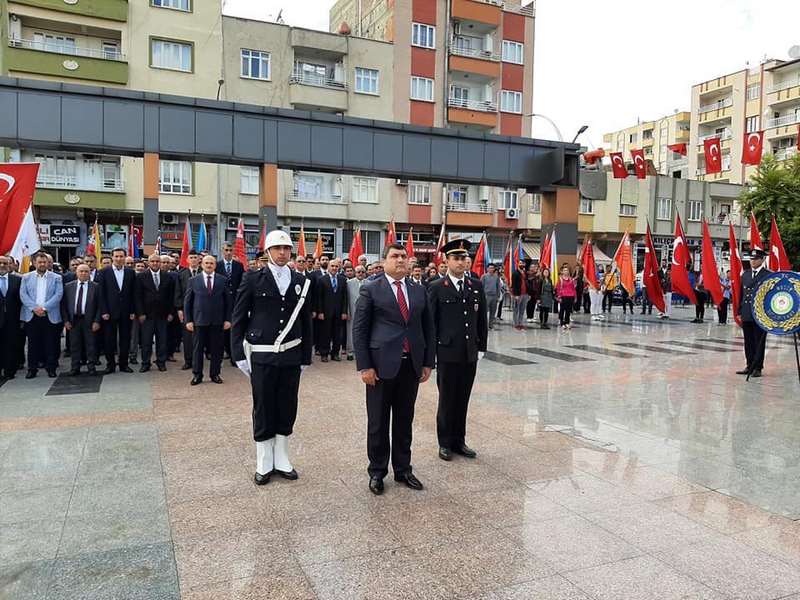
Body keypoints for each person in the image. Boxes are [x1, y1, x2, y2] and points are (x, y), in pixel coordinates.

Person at [232, 230, 313, 485]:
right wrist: (238, 354)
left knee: (287, 405)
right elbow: (239, 316)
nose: (282, 253)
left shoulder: (301, 280)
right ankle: (264, 461)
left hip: (291, 352)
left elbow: (306, 321)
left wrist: (305, 356)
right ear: (267, 252)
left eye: (286, 249)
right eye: (277, 249)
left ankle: (282, 458)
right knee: (263, 405)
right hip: (262, 354)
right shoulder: (253, 278)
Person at [353, 243, 434, 495]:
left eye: (403, 256)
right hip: (380, 367)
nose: (400, 260)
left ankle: (403, 469)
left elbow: (428, 328)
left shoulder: (419, 290)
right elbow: (360, 330)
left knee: (404, 420)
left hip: (410, 366)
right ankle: (377, 471)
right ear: (385, 260)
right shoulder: (371, 289)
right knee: (377, 421)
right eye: (395, 256)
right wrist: (364, 365)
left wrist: (428, 362)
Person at [427, 239, 487, 462]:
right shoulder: (435, 287)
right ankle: (444, 443)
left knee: (463, 399)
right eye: (457, 258)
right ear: (446, 260)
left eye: (464, 258)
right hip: (447, 353)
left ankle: (459, 441)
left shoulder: (475, 285)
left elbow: (481, 319)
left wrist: (481, 347)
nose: (462, 262)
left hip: (469, 354)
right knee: (447, 400)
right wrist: (430, 355)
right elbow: (431, 323)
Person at [184, 254, 231, 385]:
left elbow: (228, 302)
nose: (209, 265)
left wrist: (228, 319)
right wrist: (188, 320)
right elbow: (188, 302)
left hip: (218, 321)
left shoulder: (222, 280)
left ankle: (215, 374)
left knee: (217, 349)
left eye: (211, 263)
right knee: (197, 349)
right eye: (206, 263)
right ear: (201, 264)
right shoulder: (193, 280)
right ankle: (197, 375)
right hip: (199, 321)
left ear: (215, 265)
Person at [20, 252, 63, 378]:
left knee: (51, 343)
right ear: (34, 263)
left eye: (45, 262)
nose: (43, 264)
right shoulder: (26, 277)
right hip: (32, 315)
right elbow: (23, 295)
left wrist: (44, 308)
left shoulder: (56, 278)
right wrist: (34, 308)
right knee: (33, 344)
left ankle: (51, 368)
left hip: (49, 315)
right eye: (40, 262)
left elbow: (58, 295)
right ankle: (32, 369)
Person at [97, 248, 136, 374]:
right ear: (112, 257)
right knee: (109, 340)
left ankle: (124, 364)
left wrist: (132, 311)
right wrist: (104, 311)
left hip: (126, 312)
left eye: (121, 256)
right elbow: (101, 294)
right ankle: (110, 365)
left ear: (125, 257)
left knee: (125, 339)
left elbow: (133, 294)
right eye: (116, 256)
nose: (119, 259)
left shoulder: (130, 272)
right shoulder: (103, 272)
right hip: (109, 312)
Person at [135, 254, 176, 372]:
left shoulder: (168, 277)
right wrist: (140, 313)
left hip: (163, 315)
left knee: (162, 340)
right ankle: (145, 363)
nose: (155, 263)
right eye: (152, 261)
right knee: (146, 341)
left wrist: (171, 313)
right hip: (146, 315)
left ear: (160, 262)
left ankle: (161, 362)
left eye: (157, 261)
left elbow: (171, 297)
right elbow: (137, 297)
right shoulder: (141, 276)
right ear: (148, 262)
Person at [60, 264, 102, 376]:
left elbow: (100, 306)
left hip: (90, 320)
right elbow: (63, 305)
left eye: (86, 271)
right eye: (81, 271)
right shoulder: (68, 286)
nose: (83, 273)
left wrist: (97, 321)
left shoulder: (96, 287)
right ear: (76, 273)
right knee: (74, 345)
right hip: (74, 321)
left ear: (89, 273)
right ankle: (75, 367)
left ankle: (91, 367)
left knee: (91, 345)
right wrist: (66, 321)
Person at [736, 248, 771, 378]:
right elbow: (742, 294)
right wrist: (739, 310)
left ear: (762, 259)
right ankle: (749, 364)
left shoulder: (768, 275)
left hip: (760, 313)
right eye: (751, 259)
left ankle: (758, 367)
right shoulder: (745, 274)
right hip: (746, 312)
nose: (753, 261)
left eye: (755, 259)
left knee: (759, 341)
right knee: (748, 341)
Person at [315, 258, 348, 362]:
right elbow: (319, 297)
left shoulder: (343, 280)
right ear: (328, 267)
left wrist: (344, 312)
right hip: (325, 312)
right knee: (325, 334)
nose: (334, 268)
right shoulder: (321, 279)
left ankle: (335, 354)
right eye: (332, 266)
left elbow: (345, 297)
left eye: (336, 266)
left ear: (339, 268)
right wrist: (320, 312)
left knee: (337, 334)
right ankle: (324, 354)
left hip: (338, 312)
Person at [216, 243, 245, 364]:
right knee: (222, 329)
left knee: (234, 329)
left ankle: (234, 356)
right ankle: (224, 351)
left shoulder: (239, 265)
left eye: (230, 250)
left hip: (235, 303)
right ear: (222, 251)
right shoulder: (217, 265)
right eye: (226, 250)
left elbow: (242, 283)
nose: (228, 252)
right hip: (221, 302)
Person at [176, 250, 202, 371]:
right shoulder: (182, 274)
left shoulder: (204, 273)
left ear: (199, 259)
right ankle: (188, 361)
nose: (193, 259)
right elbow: (178, 293)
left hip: (202, 310)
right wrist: (179, 309)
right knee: (187, 337)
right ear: (187, 260)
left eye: (195, 257)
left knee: (201, 336)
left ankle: (199, 359)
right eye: (191, 257)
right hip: (187, 310)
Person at [0, 255, 22, 381]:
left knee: (11, 346)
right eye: (0, 263)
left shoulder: (17, 280)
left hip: (13, 320)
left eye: (5, 263)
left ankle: (10, 371)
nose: (2, 266)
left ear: (10, 265)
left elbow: (21, 300)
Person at [345, 265, 367, 360]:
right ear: (355, 273)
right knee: (350, 332)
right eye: (358, 272)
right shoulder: (348, 283)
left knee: (364, 332)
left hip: (366, 313)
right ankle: (350, 351)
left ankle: (362, 352)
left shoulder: (370, 283)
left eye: (362, 272)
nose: (360, 274)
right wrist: (347, 312)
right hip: (352, 311)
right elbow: (345, 299)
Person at [480, 264, 502, 329]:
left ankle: (491, 325)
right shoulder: (484, 276)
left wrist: (498, 296)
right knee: (485, 311)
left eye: (492, 268)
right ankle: (484, 325)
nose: (491, 269)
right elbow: (481, 287)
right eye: (490, 268)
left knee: (493, 311)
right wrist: (481, 296)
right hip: (486, 296)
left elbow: (498, 287)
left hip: (494, 296)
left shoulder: (496, 277)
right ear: (487, 269)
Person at [555, 265, 576, 330]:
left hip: (571, 296)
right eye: (564, 270)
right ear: (562, 272)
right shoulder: (560, 279)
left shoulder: (571, 279)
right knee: (562, 310)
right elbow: (558, 288)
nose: (566, 271)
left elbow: (573, 289)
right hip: (563, 296)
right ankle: (562, 323)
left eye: (567, 270)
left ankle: (567, 322)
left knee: (568, 310)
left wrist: (575, 297)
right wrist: (559, 296)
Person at [510, 259, 528, 330]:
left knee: (522, 310)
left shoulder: (525, 273)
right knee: (516, 310)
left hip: (525, 294)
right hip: (518, 295)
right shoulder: (515, 273)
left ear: (525, 264)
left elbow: (528, 283)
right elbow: (514, 285)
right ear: (518, 264)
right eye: (520, 263)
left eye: (523, 263)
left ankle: (521, 323)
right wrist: (515, 295)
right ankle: (516, 324)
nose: (521, 264)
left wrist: (528, 293)